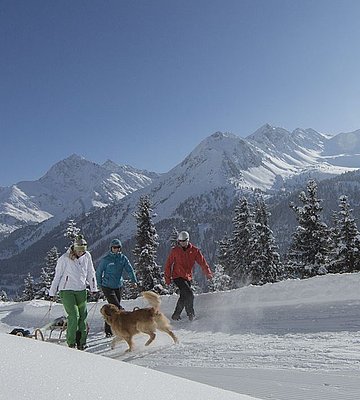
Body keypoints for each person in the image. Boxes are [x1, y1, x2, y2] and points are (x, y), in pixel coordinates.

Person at [49, 234, 98, 350]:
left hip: (81, 290)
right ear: (74, 249)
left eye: (83, 251)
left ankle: (82, 342)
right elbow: (57, 276)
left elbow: (91, 272)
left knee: (83, 316)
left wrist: (94, 288)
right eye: (79, 251)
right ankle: (71, 342)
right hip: (67, 291)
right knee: (74, 316)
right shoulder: (64, 259)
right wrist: (52, 292)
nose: (81, 253)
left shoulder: (87, 256)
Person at [164, 231, 213, 321]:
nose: (182, 243)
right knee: (190, 294)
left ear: (188, 240)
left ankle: (176, 315)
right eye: (180, 241)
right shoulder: (175, 251)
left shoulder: (195, 251)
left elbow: (203, 263)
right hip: (177, 276)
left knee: (184, 296)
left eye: (184, 241)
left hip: (188, 277)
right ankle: (191, 314)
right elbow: (168, 264)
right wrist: (167, 278)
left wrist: (208, 274)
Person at [96, 238, 138, 337]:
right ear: (111, 248)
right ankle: (121, 327)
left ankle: (109, 330)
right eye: (115, 247)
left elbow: (130, 269)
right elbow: (98, 272)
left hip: (118, 286)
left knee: (112, 309)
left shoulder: (123, 258)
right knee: (116, 307)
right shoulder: (106, 259)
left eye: (118, 247)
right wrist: (99, 284)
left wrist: (134, 280)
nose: (116, 249)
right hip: (107, 286)